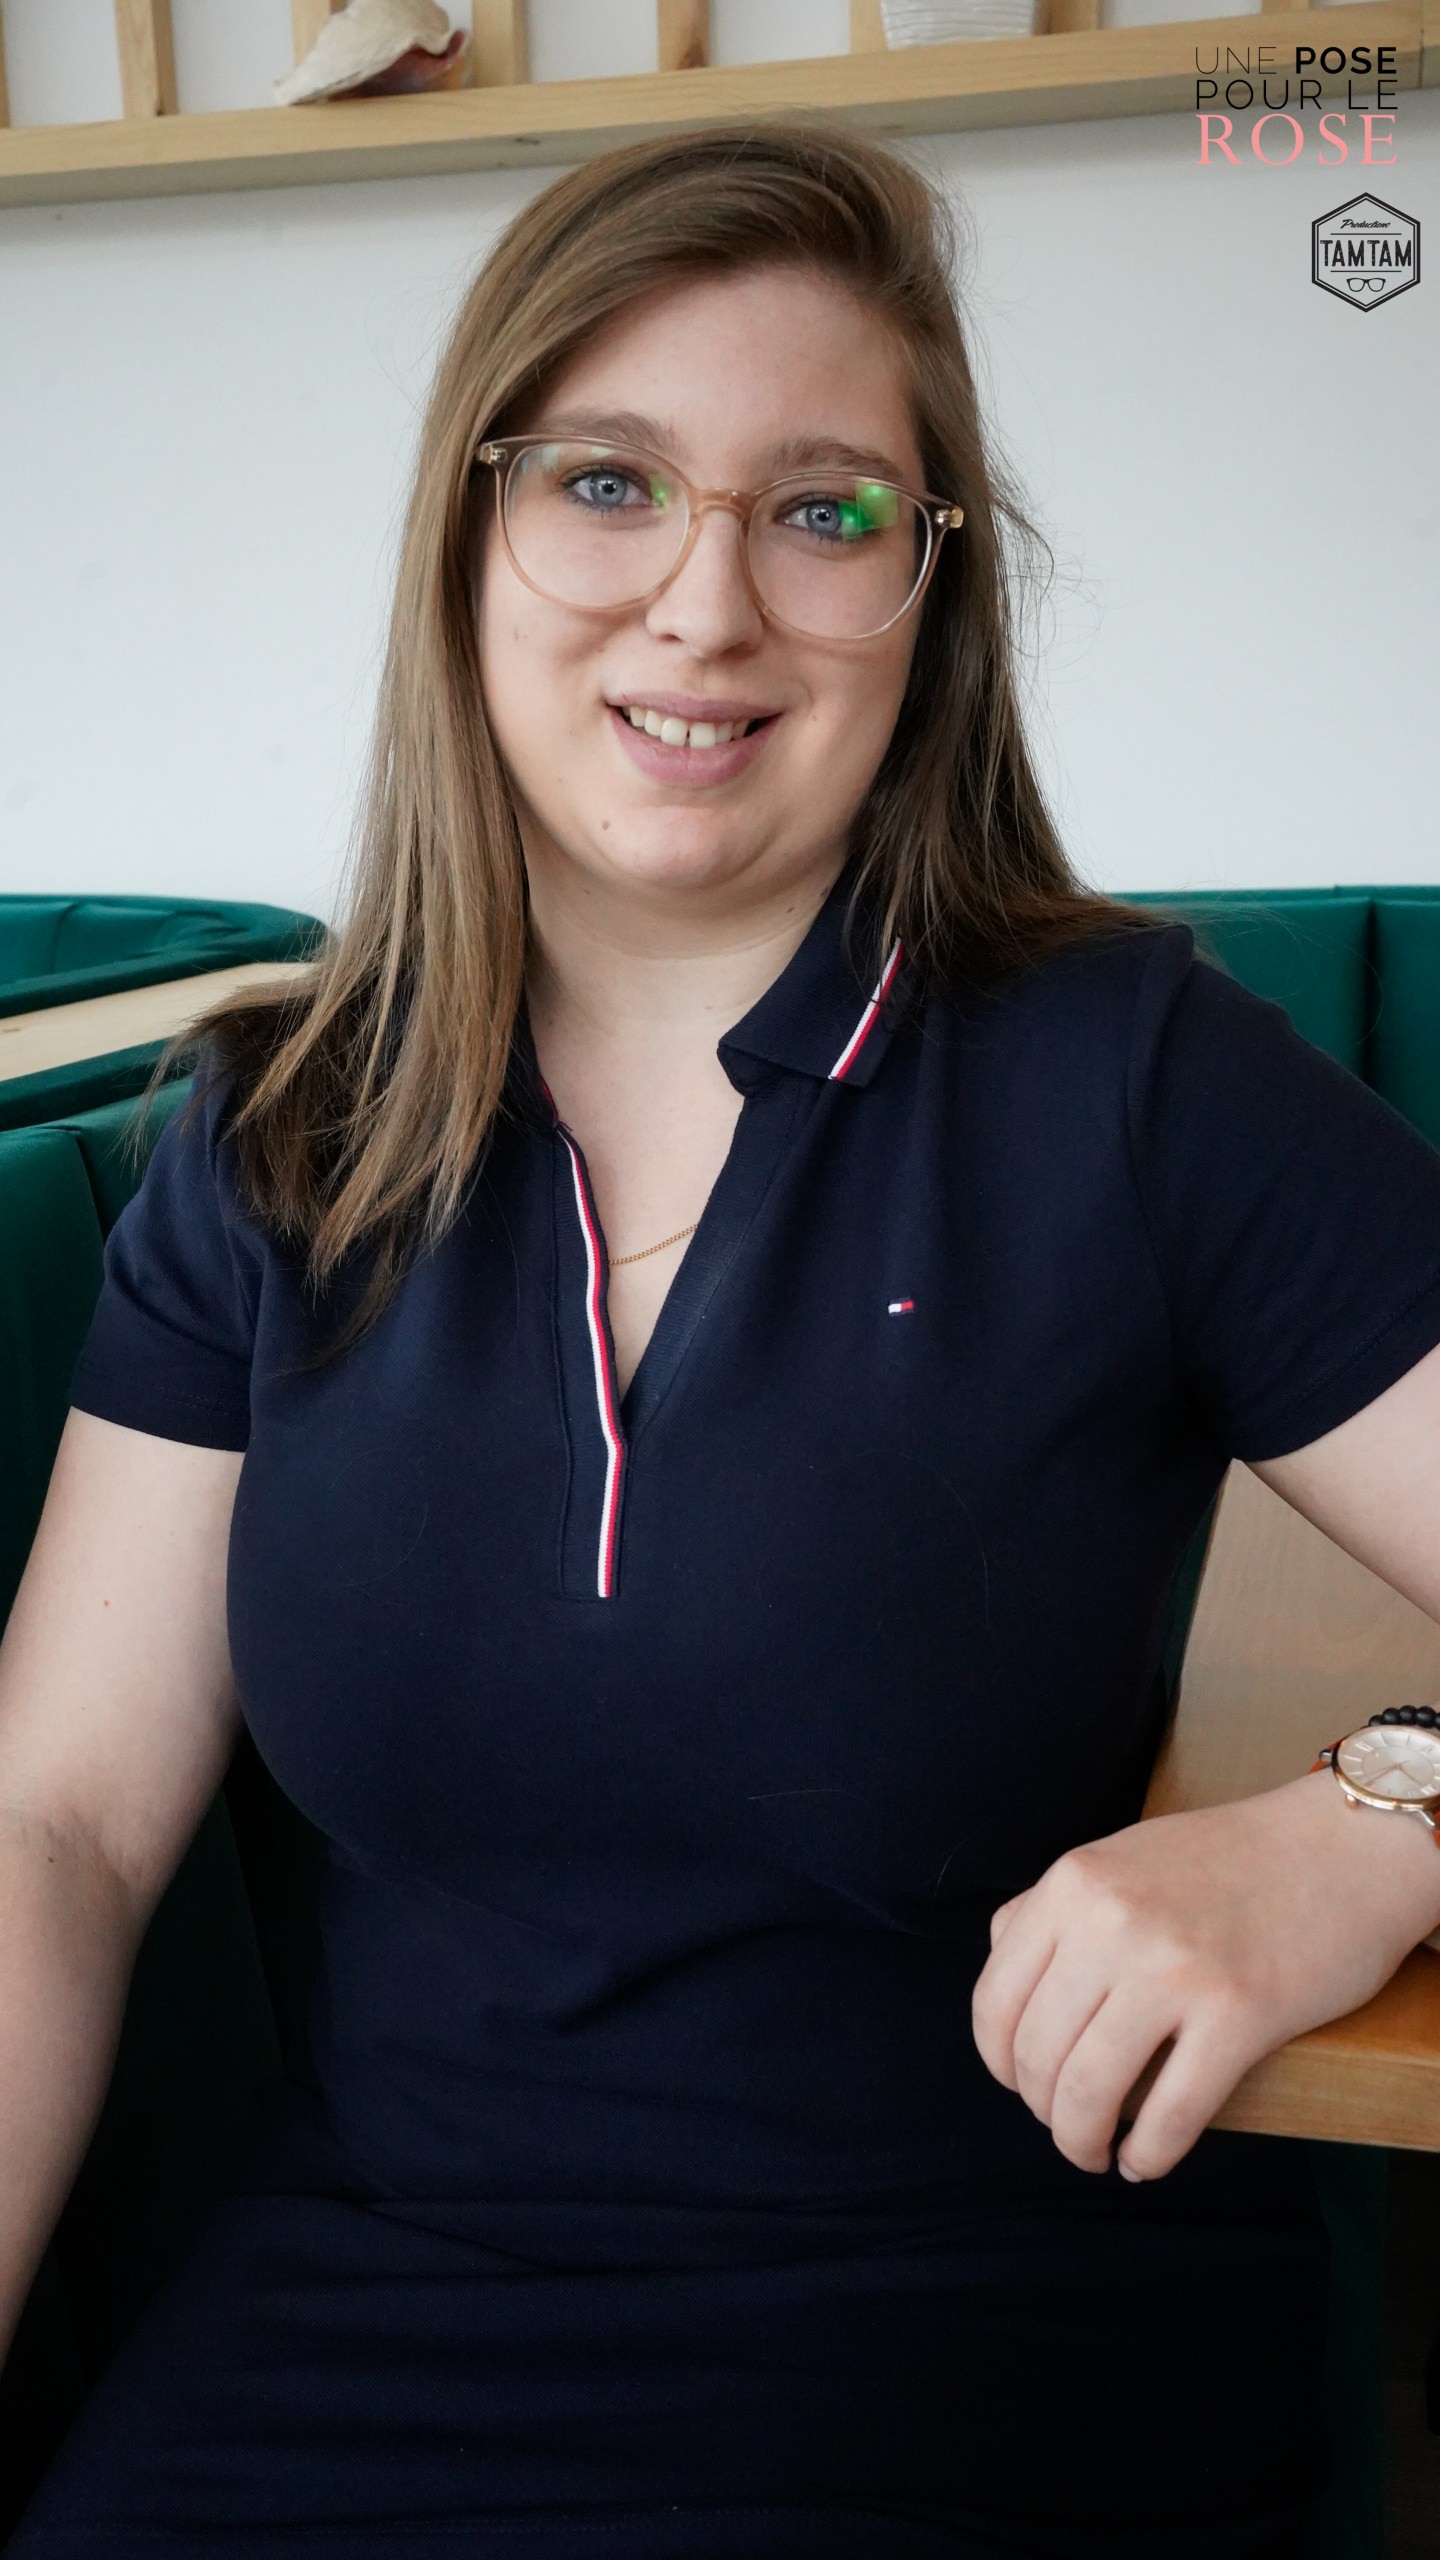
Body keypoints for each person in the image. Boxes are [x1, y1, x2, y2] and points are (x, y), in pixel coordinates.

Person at [4, 118, 1440, 2560]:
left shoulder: (1137, 1081)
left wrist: (1372, 1822)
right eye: (608, 484)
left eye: (824, 510)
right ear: (468, 537)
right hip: (364, 2319)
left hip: (975, 2342)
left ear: (931, 591)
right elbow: (54, 1819)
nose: (705, 604)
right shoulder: (269, 1141)